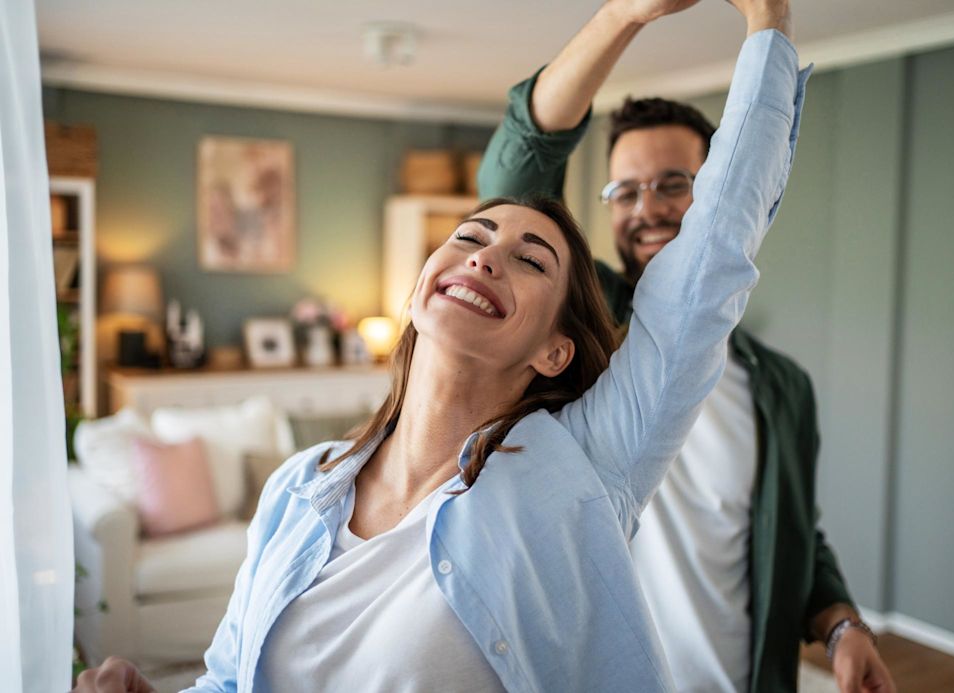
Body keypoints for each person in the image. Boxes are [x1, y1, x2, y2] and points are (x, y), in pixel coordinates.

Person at [75, 0, 803, 690]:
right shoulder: (298, 488)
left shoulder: (581, 468)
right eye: (470, 236)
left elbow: (713, 250)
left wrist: (767, 16)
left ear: (554, 351)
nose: (485, 257)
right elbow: (232, 678)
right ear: (422, 285)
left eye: (531, 259)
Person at [477, 2, 896, 692]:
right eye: (625, 191)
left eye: (675, 184)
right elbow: (514, 180)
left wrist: (842, 625)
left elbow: (794, 534)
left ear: (721, 184)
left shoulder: (784, 388)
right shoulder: (577, 334)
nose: (646, 208)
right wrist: (623, 14)